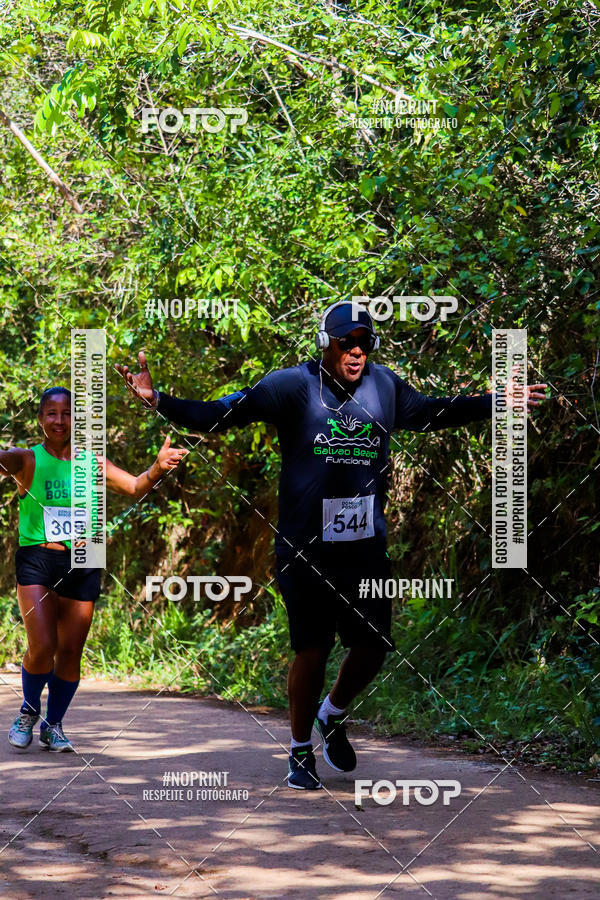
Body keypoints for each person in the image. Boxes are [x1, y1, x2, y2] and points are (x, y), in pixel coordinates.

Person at [116, 302, 547, 789]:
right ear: (326, 344)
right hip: (305, 550)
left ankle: (332, 713)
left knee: (373, 646)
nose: (357, 351)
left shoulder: (384, 386)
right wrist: (159, 401)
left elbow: (432, 413)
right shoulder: (291, 387)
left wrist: (495, 401)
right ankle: (300, 752)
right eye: (347, 342)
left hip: (364, 548)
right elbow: (219, 415)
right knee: (313, 649)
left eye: (365, 342)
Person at [3, 386, 187, 752]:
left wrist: (157, 467)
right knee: (43, 645)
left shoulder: (92, 464)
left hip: (84, 560)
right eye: (51, 413)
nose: (59, 420)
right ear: (40, 419)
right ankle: (27, 710)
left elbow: (134, 486)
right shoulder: (26, 459)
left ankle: (53, 724)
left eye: (67, 413)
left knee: (71, 651)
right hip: (38, 558)